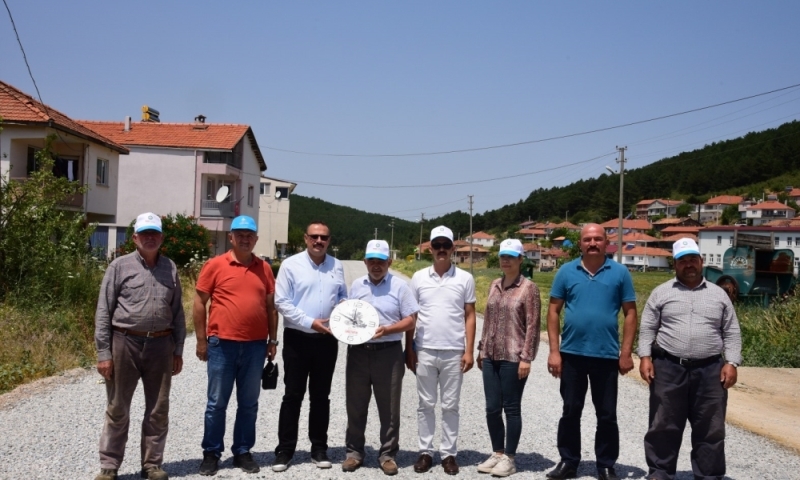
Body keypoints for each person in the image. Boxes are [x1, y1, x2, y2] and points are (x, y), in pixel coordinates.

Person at [637, 238, 742, 480]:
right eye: (682, 260)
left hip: (710, 370)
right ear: (675, 264)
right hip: (668, 367)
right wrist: (645, 357)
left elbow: (731, 331)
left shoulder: (719, 295)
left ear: (701, 261)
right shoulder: (661, 292)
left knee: (710, 426)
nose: (689, 265)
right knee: (663, 423)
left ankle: (709, 475)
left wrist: (731, 362)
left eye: (693, 259)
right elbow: (648, 328)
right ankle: (660, 472)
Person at [94, 212, 186, 480]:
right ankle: (109, 466)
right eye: (144, 233)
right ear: (134, 238)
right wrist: (103, 353)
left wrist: (178, 349)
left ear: (162, 237)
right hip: (125, 343)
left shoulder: (170, 268)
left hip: (161, 346)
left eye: (154, 233)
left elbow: (177, 312)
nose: (150, 238)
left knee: (158, 409)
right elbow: (103, 311)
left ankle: (152, 465)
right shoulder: (118, 267)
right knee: (117, 408)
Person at [546, 223, 637, 480]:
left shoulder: (620, 273)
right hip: (572, 354)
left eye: (598, 239)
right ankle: (568, 462)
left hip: (606, 355)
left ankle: (606, 465)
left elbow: (630, 313)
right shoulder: (566, 271)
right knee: (570, 410)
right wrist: (554, 351)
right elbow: (553, 311)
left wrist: (626, 353)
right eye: (587, 239)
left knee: (607, 414)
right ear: (580, 244)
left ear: (606, 242)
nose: (593, 243)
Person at [194, 215, 278, 476]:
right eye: (240, 234)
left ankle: (242, 451)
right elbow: (199, 303)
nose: (245, 239)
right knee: (216, 403)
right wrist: (201, 340)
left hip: (255, 346)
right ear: (231, 237)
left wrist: (273, 340)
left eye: (249, 235)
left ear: (256, 239)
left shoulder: (264, 268)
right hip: (222, 345)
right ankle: (211, 453)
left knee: (249, 403)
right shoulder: (215, 265)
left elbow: (270, 306)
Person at [272, 221, 347, 472]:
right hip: (298, 338)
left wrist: (341, 310)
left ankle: (319, 448)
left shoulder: (337, 266)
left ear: (329, 240)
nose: (318, 241)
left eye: (323, 237)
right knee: (293, 395)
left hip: (327, 341)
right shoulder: (290, 265)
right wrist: (310, 322)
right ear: (306, 238)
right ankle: (285, 450)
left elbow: (343, 296)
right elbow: (281, 302)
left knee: (321, 396)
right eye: (314, 236)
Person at [341, 240, 419, 475]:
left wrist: (387, 330)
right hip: (358, 352)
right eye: (372, 261)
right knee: (355, 405)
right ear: (365, 262)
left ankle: (388, 455)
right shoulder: (357, 285)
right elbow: (348, 315)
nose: (376, 265)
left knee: (389, 408)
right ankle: (354, 452)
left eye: (381, 261)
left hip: (389, 353)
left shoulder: (400, 287)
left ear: (389, 262)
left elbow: (411, 320)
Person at [406, 225, 477, 475]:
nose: (442, 249)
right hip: (424, 349)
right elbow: (412, 316)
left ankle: (448, 454)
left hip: (453, 350)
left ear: (453, 248)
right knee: (425, 404)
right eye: (437, 245)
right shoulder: (418, 278)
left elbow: (470, 315)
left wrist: (469, 350)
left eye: (446, 245)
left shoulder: (465, 279)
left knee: (450, 405)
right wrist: (409, 348)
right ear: (430, 248)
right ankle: (425, 452)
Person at [476, 239, 541, 477]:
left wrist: (527, 358)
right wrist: (481, 349)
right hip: (490, 354)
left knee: (511, 408)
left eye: (511, 257)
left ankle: (510, 458)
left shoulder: (529, 288)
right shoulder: (494, 284)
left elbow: (533, 325)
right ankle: (497, 453)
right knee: (492, 408)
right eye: (503, 256)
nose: (506, 260)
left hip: (514, 356)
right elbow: (487, 319)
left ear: (521, 259)